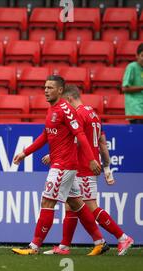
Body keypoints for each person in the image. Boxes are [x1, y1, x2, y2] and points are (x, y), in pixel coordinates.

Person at [11, 75, 109, 256]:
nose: (46, 91)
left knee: (47, 201)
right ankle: (100, 242)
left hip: (63, 165)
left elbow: (80, 135)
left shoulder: (66, 110)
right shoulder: (52, 110)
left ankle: (34, 247)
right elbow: (45, 135)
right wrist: (25, 153)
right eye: (45, 87)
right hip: (63, 164)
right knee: (77, 203)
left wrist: (91, 159)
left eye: (50, 88)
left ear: (60, 90)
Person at [42, 85, 134, 256]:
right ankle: (64, 246)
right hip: (85, 166)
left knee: (91, 208)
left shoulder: (78, 114)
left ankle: (122, 238)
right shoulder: (93, 114)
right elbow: (102, 143)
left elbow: (76, 140)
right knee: (71, 206)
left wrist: (52, 154)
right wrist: (107, 168)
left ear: (68, 99)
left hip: (84, 166)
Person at [122, 43, 143, 124]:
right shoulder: (132, 67)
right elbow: (124, 88)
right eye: (142, 55)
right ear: (137, 56)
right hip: (135, 111)